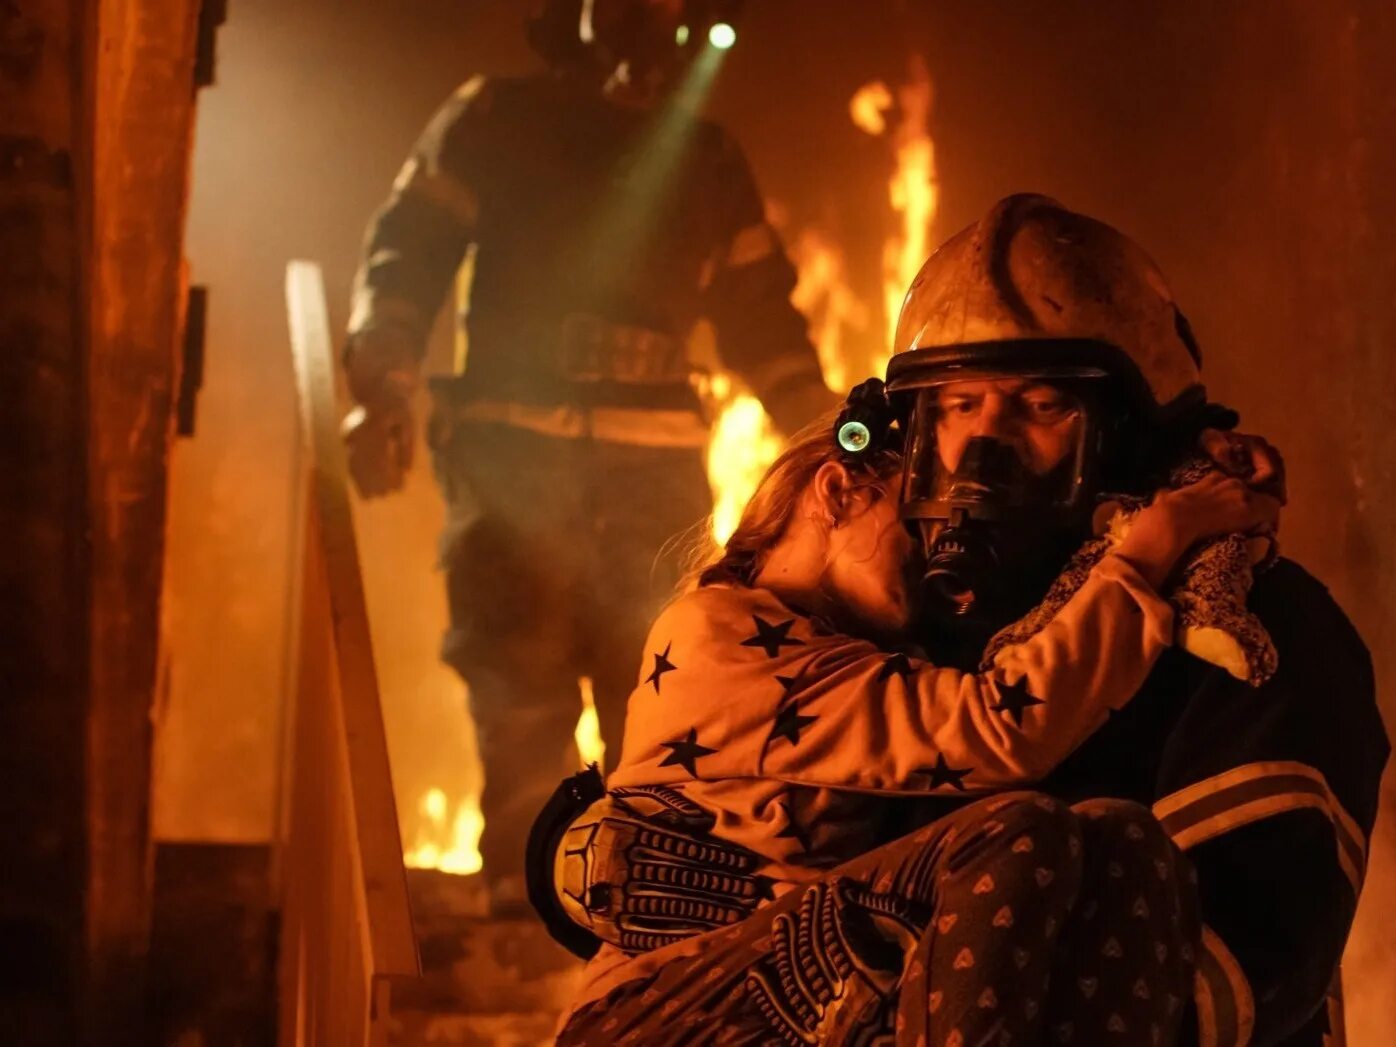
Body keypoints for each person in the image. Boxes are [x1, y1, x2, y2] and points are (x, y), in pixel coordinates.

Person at [533, 419, 1279, 1044]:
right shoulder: (715, 630)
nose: (935, 552)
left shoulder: (852, 657)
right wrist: (1155, 540)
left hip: (798, 999)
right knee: (1016, 834)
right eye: (915, 522)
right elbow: (1002, 727)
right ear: (836, 489)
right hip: (655, 1020)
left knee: (1123, 840)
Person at [341, 0, 831, 904]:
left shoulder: (706, 158)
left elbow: (767, 324)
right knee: (517, 682)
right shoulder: (496, 117)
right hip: (511, 461)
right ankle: (529, 904)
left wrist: (839, 437)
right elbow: (405, 255)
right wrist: (381, 380)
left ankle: (639, 907)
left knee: (653, 690)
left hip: (648, 475)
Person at [878, 194, 1390, 1046]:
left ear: (1133, 433)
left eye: (1040, 407)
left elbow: (1240, 957)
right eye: (960, 408)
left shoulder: (1260, 634)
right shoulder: (909, 620)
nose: (982, 452)